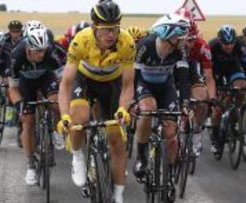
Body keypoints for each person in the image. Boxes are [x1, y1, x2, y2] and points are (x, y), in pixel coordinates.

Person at [57, 1, 136, 202]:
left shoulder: (126, 43)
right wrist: (64, 114)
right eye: (106, 29)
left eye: (115, 28)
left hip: (112, 83)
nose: (112, 34)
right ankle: (77, 156)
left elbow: (128, 86)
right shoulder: (80, 41)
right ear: (94, 27)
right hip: (85, 80)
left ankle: (118, 194)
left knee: (116, 139)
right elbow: (65, 85)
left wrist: (123, 109)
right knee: (79, 118)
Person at [132, 13, 191, 197]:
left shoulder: (179, 51)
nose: (183, 41)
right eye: (179, 37)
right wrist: (134, 101)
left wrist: (185, 103)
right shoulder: (145, 46)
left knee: (171, 134)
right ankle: (141, 157)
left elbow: (183, 78)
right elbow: (133, 77)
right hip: (145, 85)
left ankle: (169, 176)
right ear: (168, 35)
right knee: (147, 111)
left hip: (166, 87)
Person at [9, 27, 61, 185]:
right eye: (37, 51)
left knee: (56, 103)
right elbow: (13, 88)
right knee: (28, 121)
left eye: (43, 50)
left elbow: (62, 80)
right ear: (28, 50)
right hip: (25, 83)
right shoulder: (16, 57)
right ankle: (31, 165)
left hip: (46, 77)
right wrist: (20, 106)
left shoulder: (50, 53)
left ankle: (56, 132)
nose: (41, 54)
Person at [209, 25, 246, 154]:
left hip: (232, 67)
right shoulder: (212, 46)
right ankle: (215, 139)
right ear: (219, 41)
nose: (229, 46)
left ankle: (233, 116)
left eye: (231, 43)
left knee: (241, 87)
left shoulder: (240, 46)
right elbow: (207, 70)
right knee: (217, 108)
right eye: (225, 43)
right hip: (215, 70)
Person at [182, 10, 216, 156]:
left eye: (192, 40)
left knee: (202, 99)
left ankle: (197, 131)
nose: (189, 44)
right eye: (186, 40)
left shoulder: (202, 46)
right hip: (172, 71)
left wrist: (212, 99)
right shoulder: (170, 43)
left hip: (191, 71)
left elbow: (208, 77)